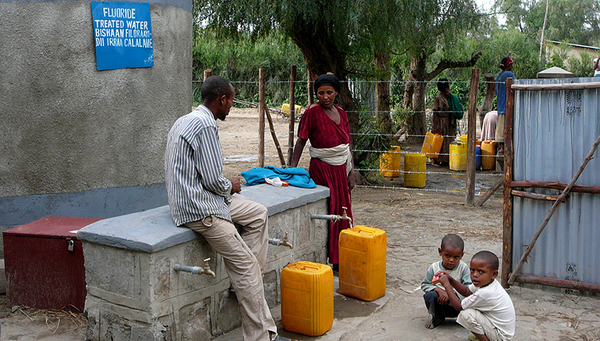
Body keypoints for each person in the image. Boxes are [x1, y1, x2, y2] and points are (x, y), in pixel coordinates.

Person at [164, 76, 287, 341]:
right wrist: (230, 184)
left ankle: (241, 284)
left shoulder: (185, 119)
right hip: (200, 209)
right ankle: (261, 336)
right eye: (230, 100)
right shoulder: (205, 126)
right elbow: (212, 180)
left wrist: (224, 187)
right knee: (248, 269)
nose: (231, 106)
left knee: (258, 214)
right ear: (221, 100)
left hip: (196, 199)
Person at [290, 73, 355, 269]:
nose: (325, 97)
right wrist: (292, 169)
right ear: (315, 94)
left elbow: (347, 144)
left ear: (336, 92)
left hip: (342, 169)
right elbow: (301, 140)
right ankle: (327, 257)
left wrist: (351, 172)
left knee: (343, 211)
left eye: (329, 92)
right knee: (328, 211)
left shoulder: (342, 113)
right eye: (320, 93)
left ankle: (340, 258)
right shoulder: (312, 112)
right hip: (322, 170)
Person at [436, 251, 516, 341]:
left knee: (466, 314)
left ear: (494, 274)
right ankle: (484, 335)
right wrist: (450, 279)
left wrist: (447, 285)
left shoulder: (486, 292)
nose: (475, 275)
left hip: (501, 336)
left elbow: (458, 306)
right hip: (500, 329)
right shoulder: (487, 282)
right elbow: (466, 291)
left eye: (481, 271)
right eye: (472, 270)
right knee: (472, 308)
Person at [421, 234, 471, 329]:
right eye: (447, 256)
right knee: (430, 296)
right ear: (440, 252)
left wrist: (452, 295)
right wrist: (440, 291)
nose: (451, 260)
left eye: (456, 257)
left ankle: (463, 318)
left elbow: (469, 289)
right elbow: (425, 284)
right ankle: (438, 317)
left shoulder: (463, 269)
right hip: (441, 303)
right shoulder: (434, 268)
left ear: (462, 255)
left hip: (458, 306)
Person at [431, 78, 464, 166]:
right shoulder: (438, 98)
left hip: (449, 123)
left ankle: (446, 159)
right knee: (440, 141)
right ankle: (437, 159)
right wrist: (434, 125)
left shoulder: (451, 98)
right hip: (441, 122)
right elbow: (435, 112)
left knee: (448, 140)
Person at [495, 57, 516, 146]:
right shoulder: (509, 74)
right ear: (509, 65)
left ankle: (501, 148)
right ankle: (506, 149)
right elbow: (516, 86)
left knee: (500, 130)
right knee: (507, 131)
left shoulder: (498, 76)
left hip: (500, 106)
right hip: (507, 106)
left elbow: (496, 91)